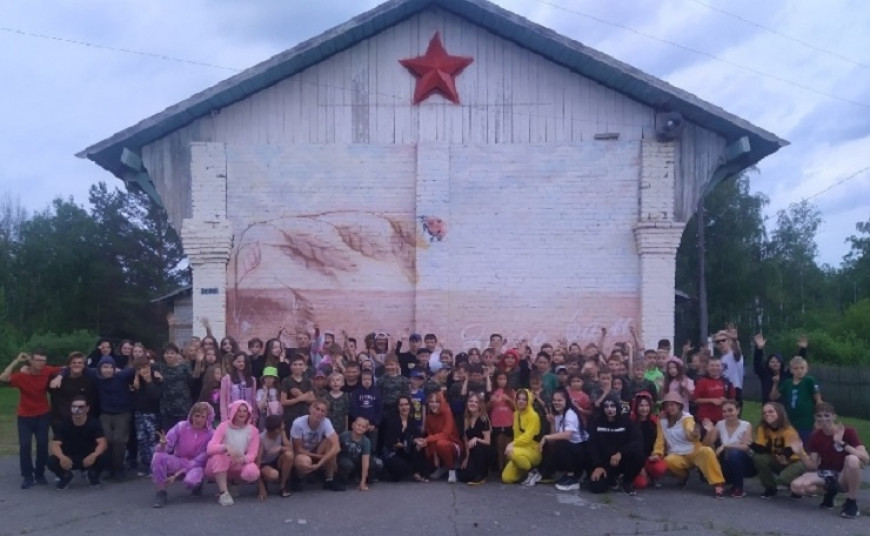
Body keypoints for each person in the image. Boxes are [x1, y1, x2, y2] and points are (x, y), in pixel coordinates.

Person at [789, 402, 869, 519]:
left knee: (852, 459)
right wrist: (800, 453)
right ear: (815, 418)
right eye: (819, 416)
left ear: (834, 416)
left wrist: (842, 443)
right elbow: (813, 466)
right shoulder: (815, 436)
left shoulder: (848, 432)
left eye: (827, 415)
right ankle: (829, 492)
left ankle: (851, 502)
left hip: (845, 474)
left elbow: (865, 458)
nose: (823, 419)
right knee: (797, 486)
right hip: (828, 473)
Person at [0, 351, 64, 488]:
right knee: (25, 446)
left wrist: (59, 377)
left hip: (43, 414)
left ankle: (39, 473)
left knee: (42, 445)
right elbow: (4, 378)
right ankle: (27, 476)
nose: (41, 363)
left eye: (43, 361)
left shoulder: (47, 371)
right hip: (25, 416)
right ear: (31, 361)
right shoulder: (21, 376)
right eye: (38, 360)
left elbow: (66, 368)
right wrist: (17, 361)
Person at [651, 391, 726, 497]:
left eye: (672, 405)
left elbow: (690, 431)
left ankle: (718, 484)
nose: (670, 408)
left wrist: (694, 432)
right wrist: (657, 453)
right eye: (667, 405)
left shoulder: (686, 418)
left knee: (707, 451)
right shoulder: (662, 421)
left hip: (693, 450)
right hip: (676, 453)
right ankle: (683, 476)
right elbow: (660, 439)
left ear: (679, 406)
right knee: (668, 461)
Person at [151, 402, 215, 508]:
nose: (198, 420)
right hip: (179, 460)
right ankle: (161, 492)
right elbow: (166, 448)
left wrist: (176, 475)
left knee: (190, 482)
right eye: (196, 416)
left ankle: (197, 485)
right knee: (158, 456)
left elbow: (200, 460)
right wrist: (162, 446)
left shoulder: (211, 434)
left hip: (196, 465)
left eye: (203, 417)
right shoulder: (181, 426)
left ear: (207, 419)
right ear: (191, 415)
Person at [533, 387, 590, 491]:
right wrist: (552, 423)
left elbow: (567, 435)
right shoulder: (558, 415)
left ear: (566, 401)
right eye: (554, 400)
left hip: (581, 449)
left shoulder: (570, 414)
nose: (556, 403)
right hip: (572, 449)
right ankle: (552, 473)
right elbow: (553, 440)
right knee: (553, 444)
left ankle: (572, 477)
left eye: (559, 400)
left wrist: (545, 437)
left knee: (561, 443)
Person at [206, 400, 261, 506]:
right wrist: (225, 447)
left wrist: (242, 459)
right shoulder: (223, 426)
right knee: (219, 457)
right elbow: (210, 448)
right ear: (233, 412)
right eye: (239, 410)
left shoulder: (254, 431)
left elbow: (252, 454)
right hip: (220, 463)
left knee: (252, 471)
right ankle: (224, 493)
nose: (242, 413)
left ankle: (234, 483)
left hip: (238, 462)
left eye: (245, 411)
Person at [47, 396, 107, 490]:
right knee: (51, 461)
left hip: (88, 458)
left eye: (81, 407)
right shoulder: (63, 424)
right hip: (69, 458)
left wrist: (94, 455)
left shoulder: (94, 423)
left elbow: (102, 443)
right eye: (74, 407)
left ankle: (93, 474)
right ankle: (65, 476)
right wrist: (62, 457)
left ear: (87, 408)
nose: (77, 410)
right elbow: (55, 445)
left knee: (105, 456)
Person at [589, 393, 644, 495]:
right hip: (604, 463)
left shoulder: (626, 422)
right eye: (606, 406)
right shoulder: (596, 422)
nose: (609, 409)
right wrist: (598, 466)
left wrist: (620, 453)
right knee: (596, 487)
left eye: (613, 406)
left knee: (639, 453)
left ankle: (627, 482)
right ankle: (612, 480)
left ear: (617, 407)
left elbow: (637, 441)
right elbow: (592, 445)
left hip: (622, 460)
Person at [751, 401, 806, 499]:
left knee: (783, 479)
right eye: (765, 413)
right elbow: (762, 449)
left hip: (796, 461)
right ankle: (770, 488)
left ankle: (798, 485)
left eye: (771, 411)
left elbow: (789, 449)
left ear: (779, 413)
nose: (767, 414)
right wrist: (749, 444)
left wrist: (784, 457)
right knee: (759, 458)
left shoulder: (788, 430)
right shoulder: (762, 428)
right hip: (778, 459)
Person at [701, 399, 754, 497]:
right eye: (724, 411)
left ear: (738, 411)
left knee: (735, 454)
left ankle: (739, 488)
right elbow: (706, 444)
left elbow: (746, 447)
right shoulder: (720, 424)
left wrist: (726, 446)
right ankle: (726, 482)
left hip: (745, 463)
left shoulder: (746, 425)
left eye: (730, 410)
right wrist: (709, 431)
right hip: (726, 462)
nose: (727, 414)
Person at [290, 398, 343, 491]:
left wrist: (320, 463)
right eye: (317, 409)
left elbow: (337, 447)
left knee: (331, 443)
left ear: (325, 414)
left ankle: (329, 479)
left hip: (316, 450)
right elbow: (298, 449)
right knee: (305, 461)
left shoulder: (326, 422)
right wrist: (320, 457)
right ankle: (298, 477)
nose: (319, 413)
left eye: (323, 411)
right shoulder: (298, 423)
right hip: (301, 453)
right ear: (310, 409)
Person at [769, 355, 821, 444]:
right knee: (790, 445)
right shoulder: (788, 383)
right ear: (791, 370)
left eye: (802, 368)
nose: (799, 371)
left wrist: (818, 420)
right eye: (796, 368)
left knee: (805, 445)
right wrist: (775, 384)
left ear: (807, 369)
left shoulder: (809, 380)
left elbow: (818, 401)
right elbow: (773, 397)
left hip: (807, 423)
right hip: (791, 422)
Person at [381, 395, 428, 482]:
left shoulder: (411, 420)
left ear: (410, 406)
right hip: (392, 452)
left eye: (406, 404)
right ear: (398, 407)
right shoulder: (392, 420)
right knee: (400, 470)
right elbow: (392, 442)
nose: (404, 407)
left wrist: (419, 442)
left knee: (418, 448)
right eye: (401, 405)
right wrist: (405, 435)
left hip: (404, 450)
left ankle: (417, 472)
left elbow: (417, 436)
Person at [501, 389, 543, 484]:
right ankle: (524, 471)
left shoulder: (533, 416)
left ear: (529, 401)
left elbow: (528, 437)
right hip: (520, 451)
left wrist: (512, 444)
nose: (521, 401)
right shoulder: (516, 414)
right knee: (506, 478)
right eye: (519, 399)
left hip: (533, 450)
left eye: (524, 399)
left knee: (511, 452)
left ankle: (533, 472)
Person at [419, 390, 461, 482]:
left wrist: (428, 439)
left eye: (437, 402)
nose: (434, 404)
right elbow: (431, 436)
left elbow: (446, 434)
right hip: (437, 444)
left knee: (441, 444)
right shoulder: (428, 418)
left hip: (453, 444)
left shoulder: (447, 413)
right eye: (432, 402)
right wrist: (435, 456)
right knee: (427, 448)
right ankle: (443, 467)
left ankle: (452, 470)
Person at [131, 354, 162, 477]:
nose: (142, 370)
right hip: (140, 413)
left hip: (152, 413)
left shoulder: (156, 377)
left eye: (144, 367)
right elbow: (135, 390)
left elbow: (155, 396)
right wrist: (137, 378)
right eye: (139, 368)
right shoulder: (136, 379)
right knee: (141, 439)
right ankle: (145, 465)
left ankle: (155, 466)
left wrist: (149, 381)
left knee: (152, 440)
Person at [631, 391, 667, 489]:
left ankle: (652, 476)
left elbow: (660, 439)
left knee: (660, 468)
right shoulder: (631, 421)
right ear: (636, 406)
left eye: (647, 405)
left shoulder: (654, 420)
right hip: (634, 460)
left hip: (650, 457)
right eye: (641, 406)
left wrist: (657, 454)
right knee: (640, 484)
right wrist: (639, 466)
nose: (644, 409)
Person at [338, 416, 382, 490]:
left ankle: (362, 477)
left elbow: (365, 461)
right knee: (347, 465)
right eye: (359, 425)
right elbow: (336, 451)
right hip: (345, 459)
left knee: (377, 463)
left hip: (358, 461)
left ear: (366, 429)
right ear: (353, 425)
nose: (360, 428)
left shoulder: (366, 441)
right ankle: (342, 478)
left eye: (363, 427)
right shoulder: (343, 436)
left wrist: (363, 482)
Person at [257, 414, 294, 499]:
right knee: (274, 475)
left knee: (289, 455)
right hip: (264, 463)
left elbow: (290, 449)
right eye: (282, 426)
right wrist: (260, 487)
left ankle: (282, 486)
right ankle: (263, 481)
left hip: (276, 459)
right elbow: (257, 464)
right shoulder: (261, 439)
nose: (284, 426)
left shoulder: (281, 433)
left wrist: (280, 448)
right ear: (276, 430)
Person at [752, 333, 796, 405]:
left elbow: (797, 365)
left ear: (781, 363)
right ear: (768, 363)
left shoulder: (786, 375)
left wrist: (803, 350)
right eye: (772, 362)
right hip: (768, 406)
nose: (775, 363)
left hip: (783, 407)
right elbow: (757, 364)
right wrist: (759, 349)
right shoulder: (764, 375)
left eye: (778, 361)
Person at [457, 392, 491, 485]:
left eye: (476, 402)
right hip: (471, 452)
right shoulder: (466, 419)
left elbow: (488, 441)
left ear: (480, 405)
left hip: (483, 451)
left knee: (477, 445)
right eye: (471, 401)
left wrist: (476, 439)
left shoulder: (484, 419)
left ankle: (482, 474)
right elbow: (466, 440)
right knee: (463, 477)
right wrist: (467, 457)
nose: (473, 403)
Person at [693, 356, 734, 425]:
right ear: (707, 367)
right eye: (712, 366)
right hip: (706, 418)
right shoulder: (701, 381)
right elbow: (696, 400)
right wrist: (711, 400)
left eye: (718, 366)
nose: (715, 368)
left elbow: (733, 400)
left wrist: (725, 400)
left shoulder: (727, 382)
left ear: (722, 367)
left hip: (723, 418)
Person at [220, 351, 258, 425]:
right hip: (232, 416)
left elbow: (253, 400)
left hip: (248, 416)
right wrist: (224, 419)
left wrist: (254, 418)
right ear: (233, 362)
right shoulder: (227, 379)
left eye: (243, 362)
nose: (241, 363)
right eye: (239, 361)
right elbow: (223, 401)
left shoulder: (252, 379)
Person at [488, 370, 515, 472]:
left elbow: (516, 408)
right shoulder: (492, 392)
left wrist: (509, 400)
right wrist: (491, 401)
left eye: (504, 379)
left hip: (508, 423)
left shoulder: (511, 392)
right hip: (496, 423)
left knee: (507, 447)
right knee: (499, 448)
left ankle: (508, 468)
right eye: (500, 379)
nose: (502, 381)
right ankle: (500, 469)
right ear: (496, 380)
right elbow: (486, 409)